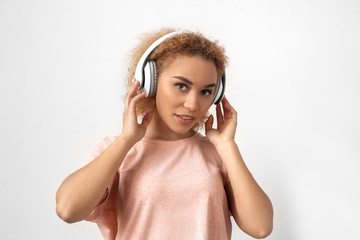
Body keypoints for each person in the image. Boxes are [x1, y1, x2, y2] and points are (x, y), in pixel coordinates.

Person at [56, 28, 273, 240]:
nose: (193, 104)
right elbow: (68, 210)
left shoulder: (218, 153)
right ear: (151, 83)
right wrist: (126, 140)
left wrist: (227, 146)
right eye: (181, 86)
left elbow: (261, 227)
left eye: (206, 91)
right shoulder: (115, 149)